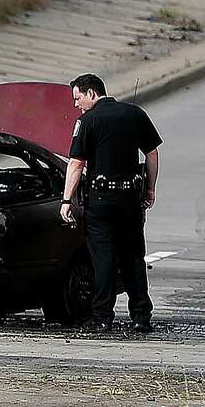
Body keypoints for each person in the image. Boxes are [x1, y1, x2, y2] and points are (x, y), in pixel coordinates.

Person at [60, 73, 162, 333]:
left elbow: (76, 163)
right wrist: (150, 188)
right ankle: (141, 316)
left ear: (91, 93)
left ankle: (102, 317)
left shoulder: (87, 121)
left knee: (103, 259)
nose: (76, 104)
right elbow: (151, 153)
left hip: (101, 201)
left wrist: (66, 200)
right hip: (130, 199)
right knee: (133, 258)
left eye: (77, 98)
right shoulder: (135, 114)